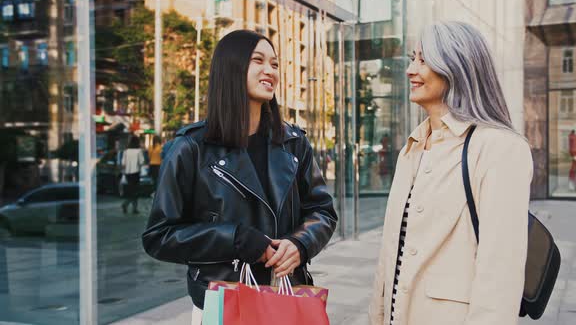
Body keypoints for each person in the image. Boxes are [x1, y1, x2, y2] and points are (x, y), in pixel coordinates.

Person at [142, 30, 337, 325]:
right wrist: (233, 238)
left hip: (285, 296)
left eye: (274, 64)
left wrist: (299, 244)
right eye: (258, 61)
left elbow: (322, 211)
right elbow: (160, 236)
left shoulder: (294, 144)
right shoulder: (191, 148)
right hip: (223, 303)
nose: (270, 71)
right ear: (231, 68)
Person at [369, 21, 533, 325]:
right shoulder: (413, 147)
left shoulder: (499, 148)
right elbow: (393, 252)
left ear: (456, 65)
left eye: (423, 59)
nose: (410, 70)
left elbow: (500, 275)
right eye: (412, 58)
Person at [121, 135, 145, 214]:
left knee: (131, 190)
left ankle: (131, 207)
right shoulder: (139, 151)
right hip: (136, 173)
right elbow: (141, 162)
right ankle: (129, 205)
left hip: (128, 173)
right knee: (135, 191)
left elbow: (123, 163)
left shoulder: (126, 151)